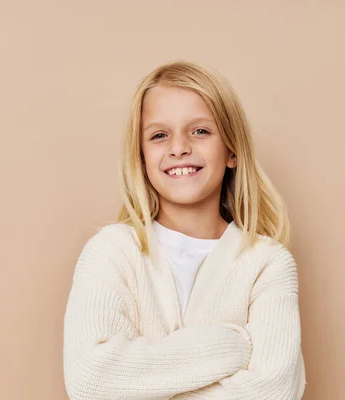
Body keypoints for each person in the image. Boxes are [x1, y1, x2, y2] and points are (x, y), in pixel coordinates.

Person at [62, 61, 306, 399]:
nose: (179, 148)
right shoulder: (110, 252)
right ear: (142, 156)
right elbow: (92, 383)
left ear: (232, 150)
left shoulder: (267, 263)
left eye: (200, 131)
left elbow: (273, 392)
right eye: (160, 135)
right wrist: (233, 345)